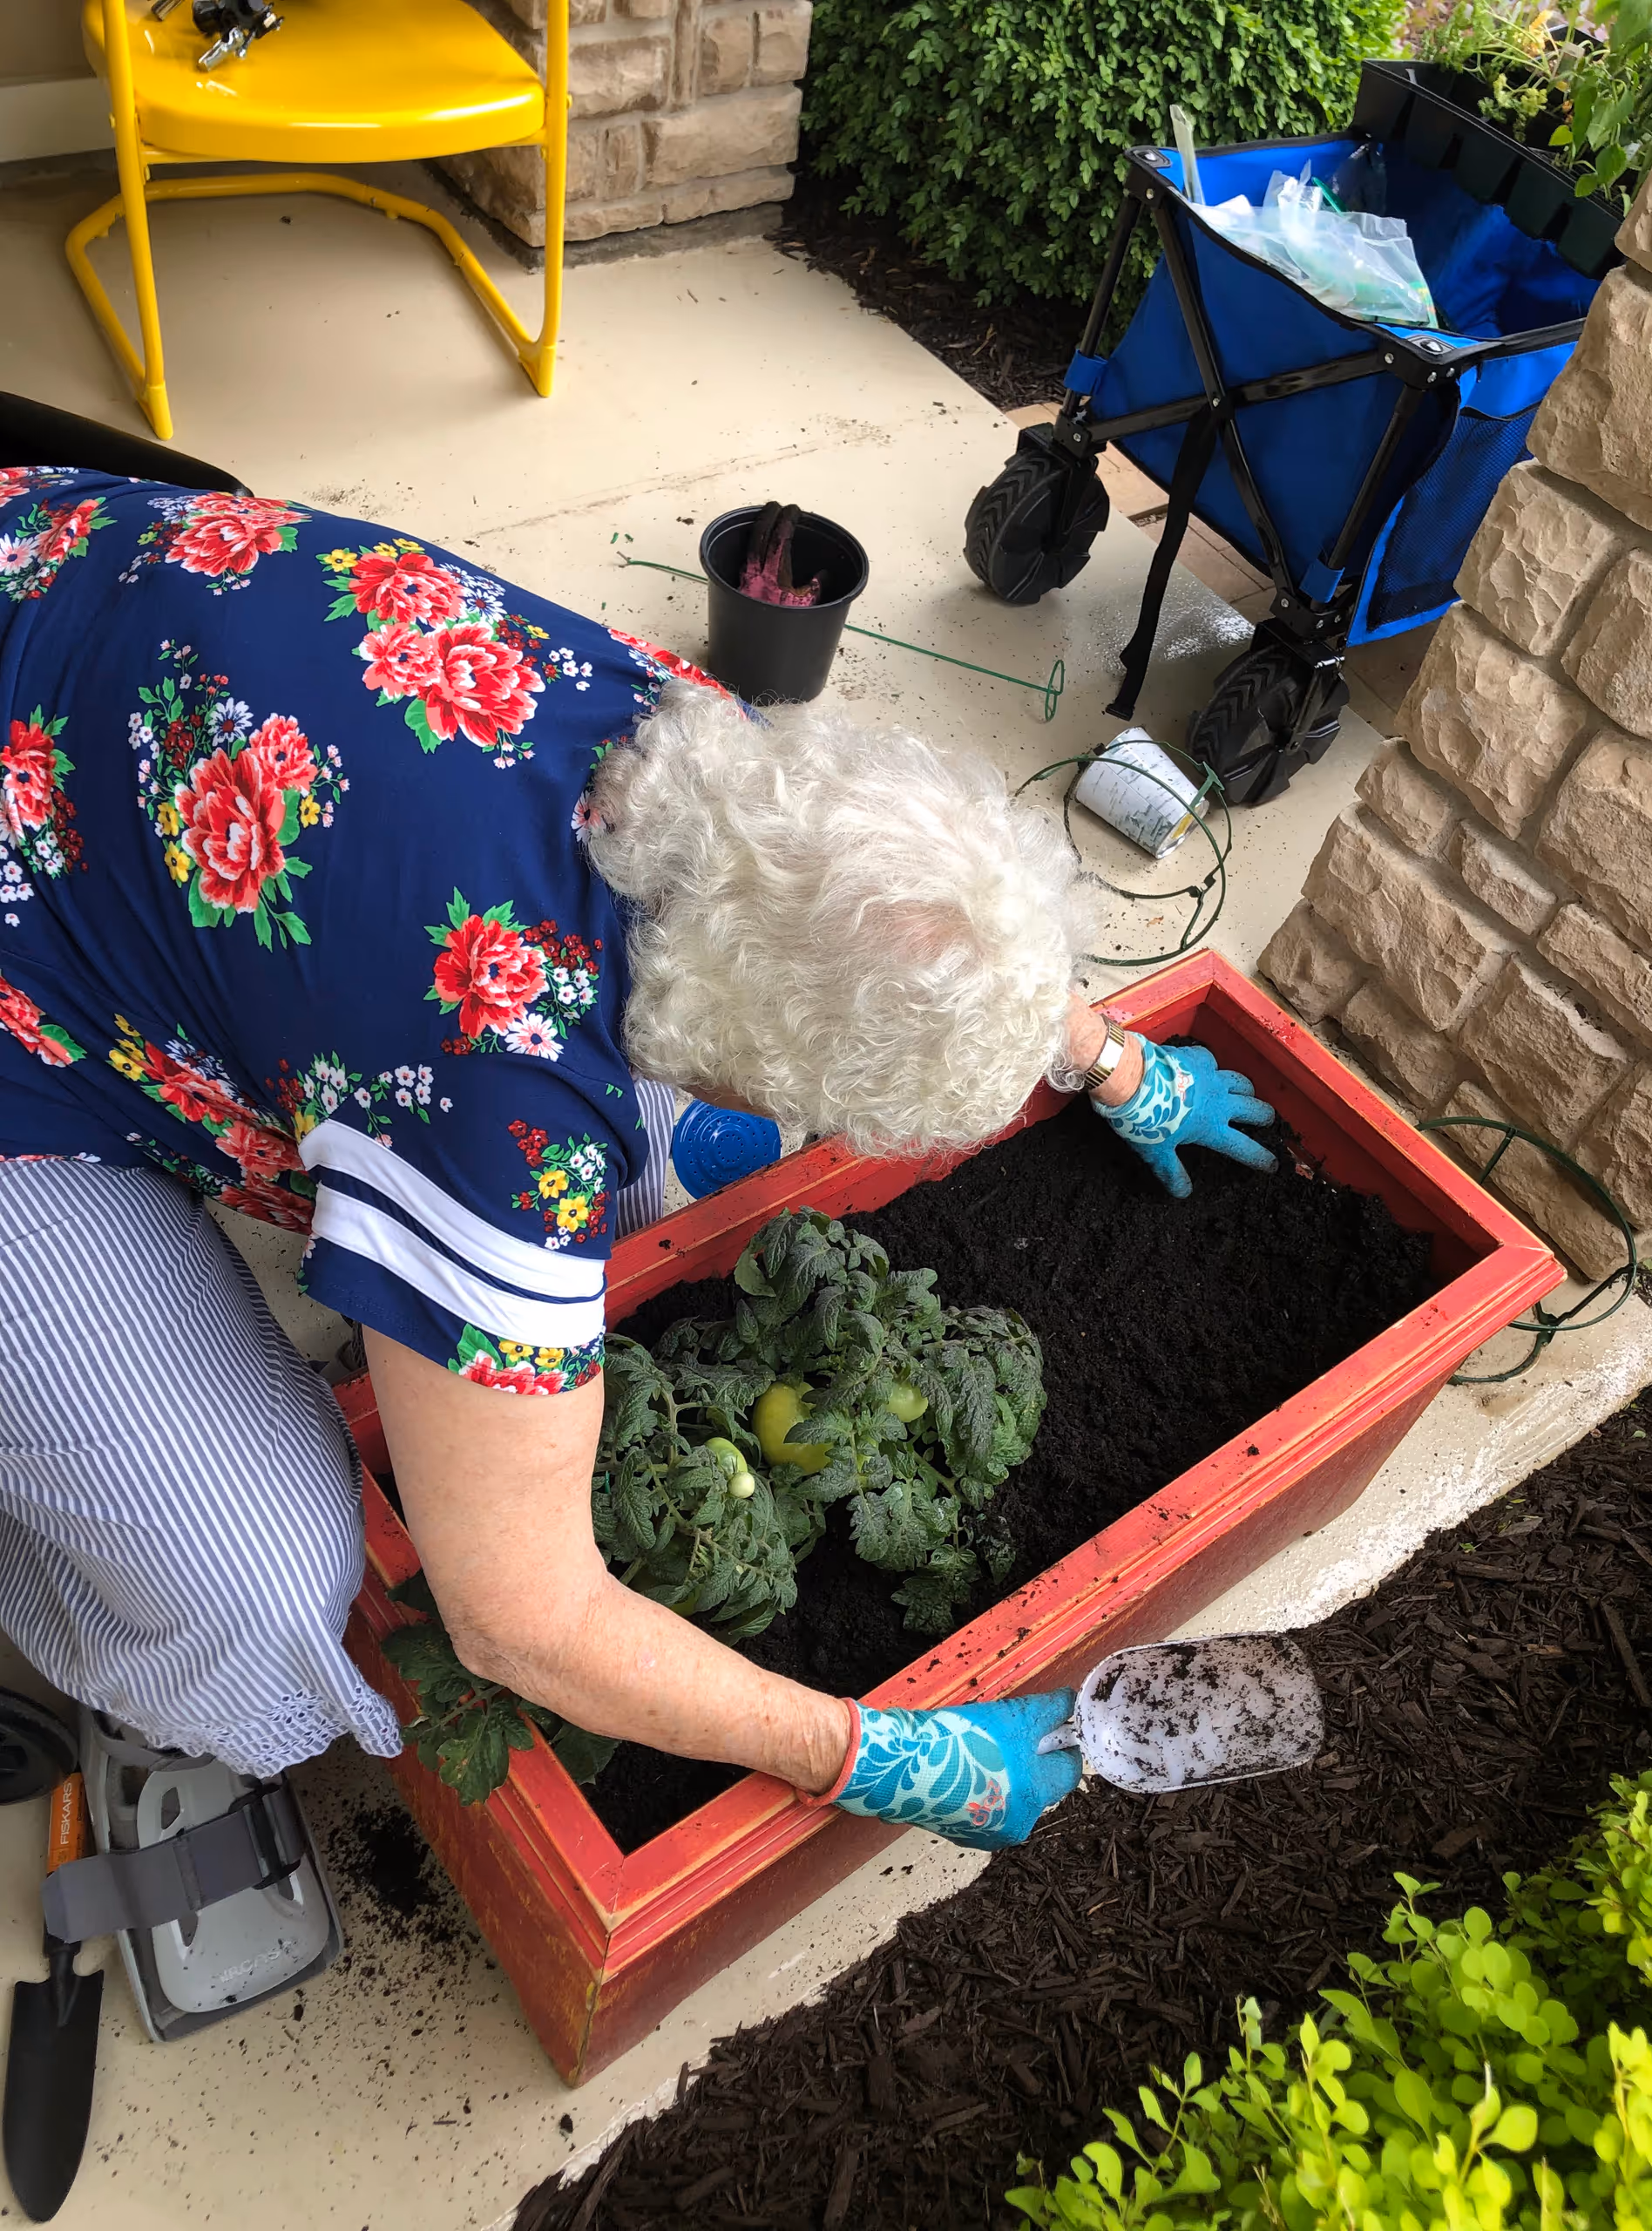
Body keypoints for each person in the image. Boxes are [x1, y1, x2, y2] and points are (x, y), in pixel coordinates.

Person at [0, 465, 1276, 1877]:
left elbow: (904, 919)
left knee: (684, 1160)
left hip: (61, 608)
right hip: (29, 1009)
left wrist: (1103, 1056)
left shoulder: (704, 745)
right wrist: (858, 1750)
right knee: (256, 1570)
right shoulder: (505, 1105)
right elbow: (517, 1618)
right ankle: (113, 1622)